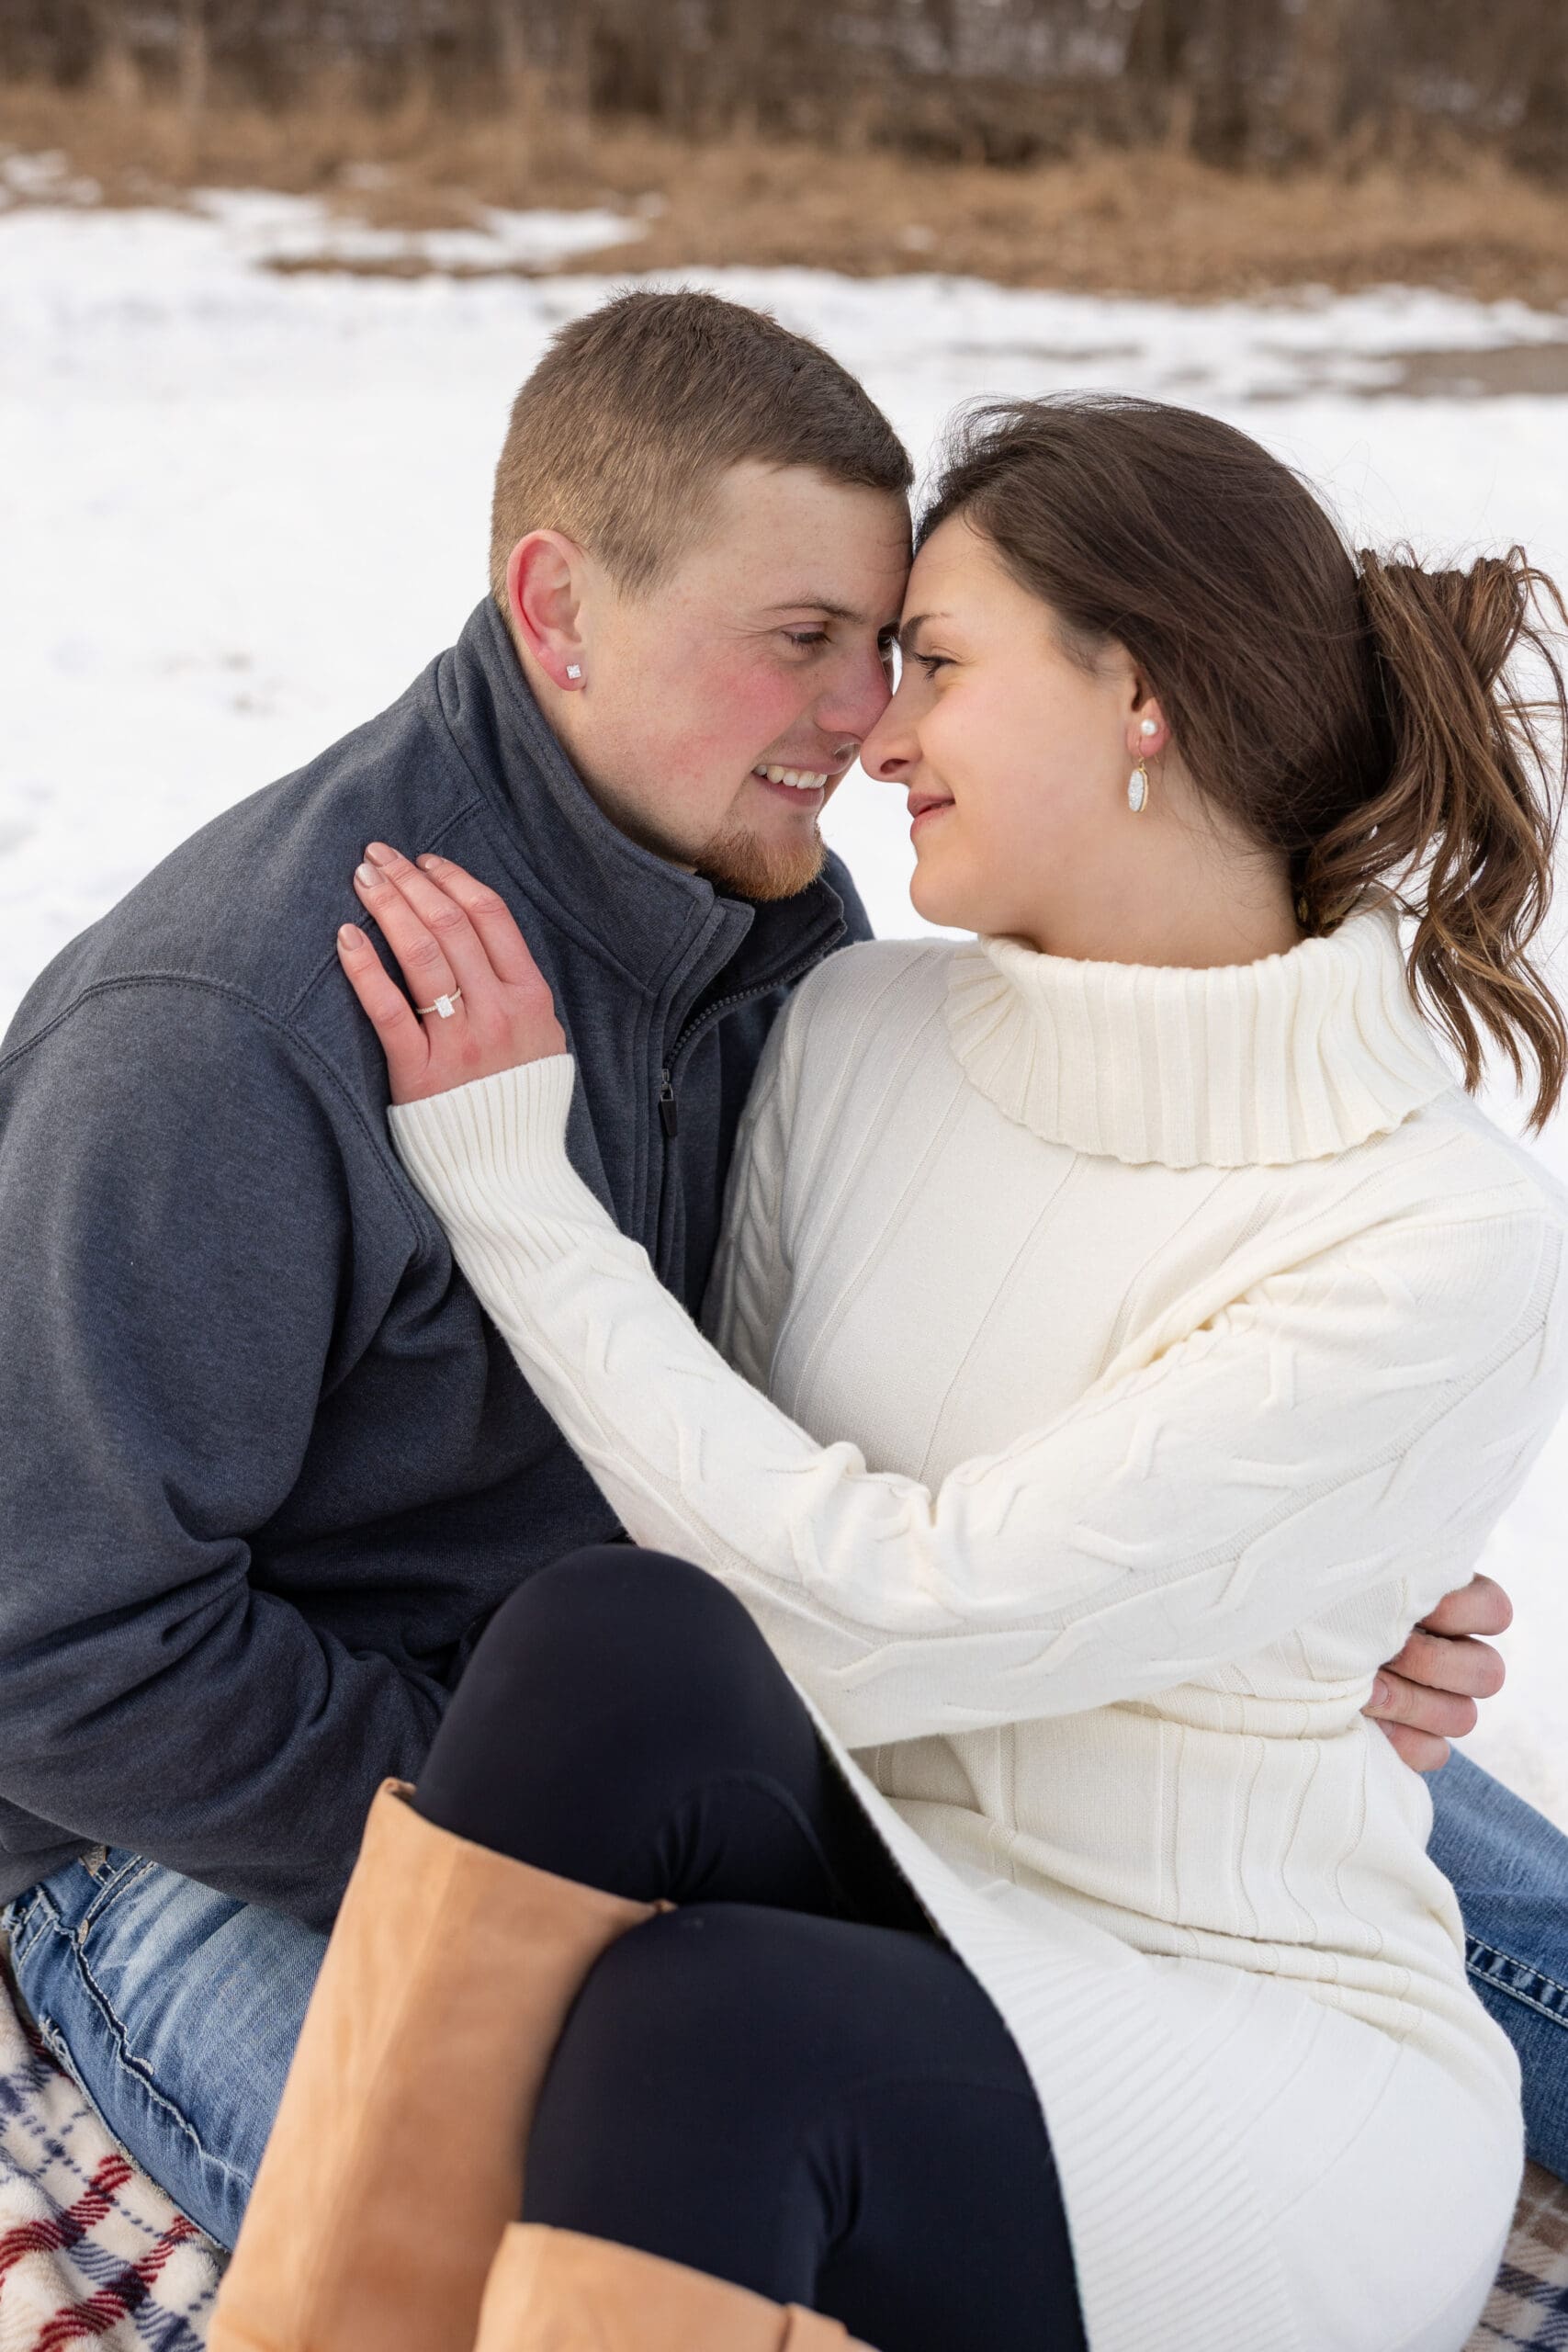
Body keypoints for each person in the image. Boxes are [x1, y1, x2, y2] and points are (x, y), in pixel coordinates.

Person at [0, 296, 1551, 2267]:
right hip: (226, 1814)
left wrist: (1280, 1563)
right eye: (800, 642)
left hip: (759, 1680)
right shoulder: (233, 1027)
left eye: (893, 646)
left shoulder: (766, 915)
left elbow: (844, 1397)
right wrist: (541, 1834)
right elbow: (52, 1649)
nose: (859, 720)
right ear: (557, 607)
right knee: (545, 2247)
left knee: (1439, 1841)